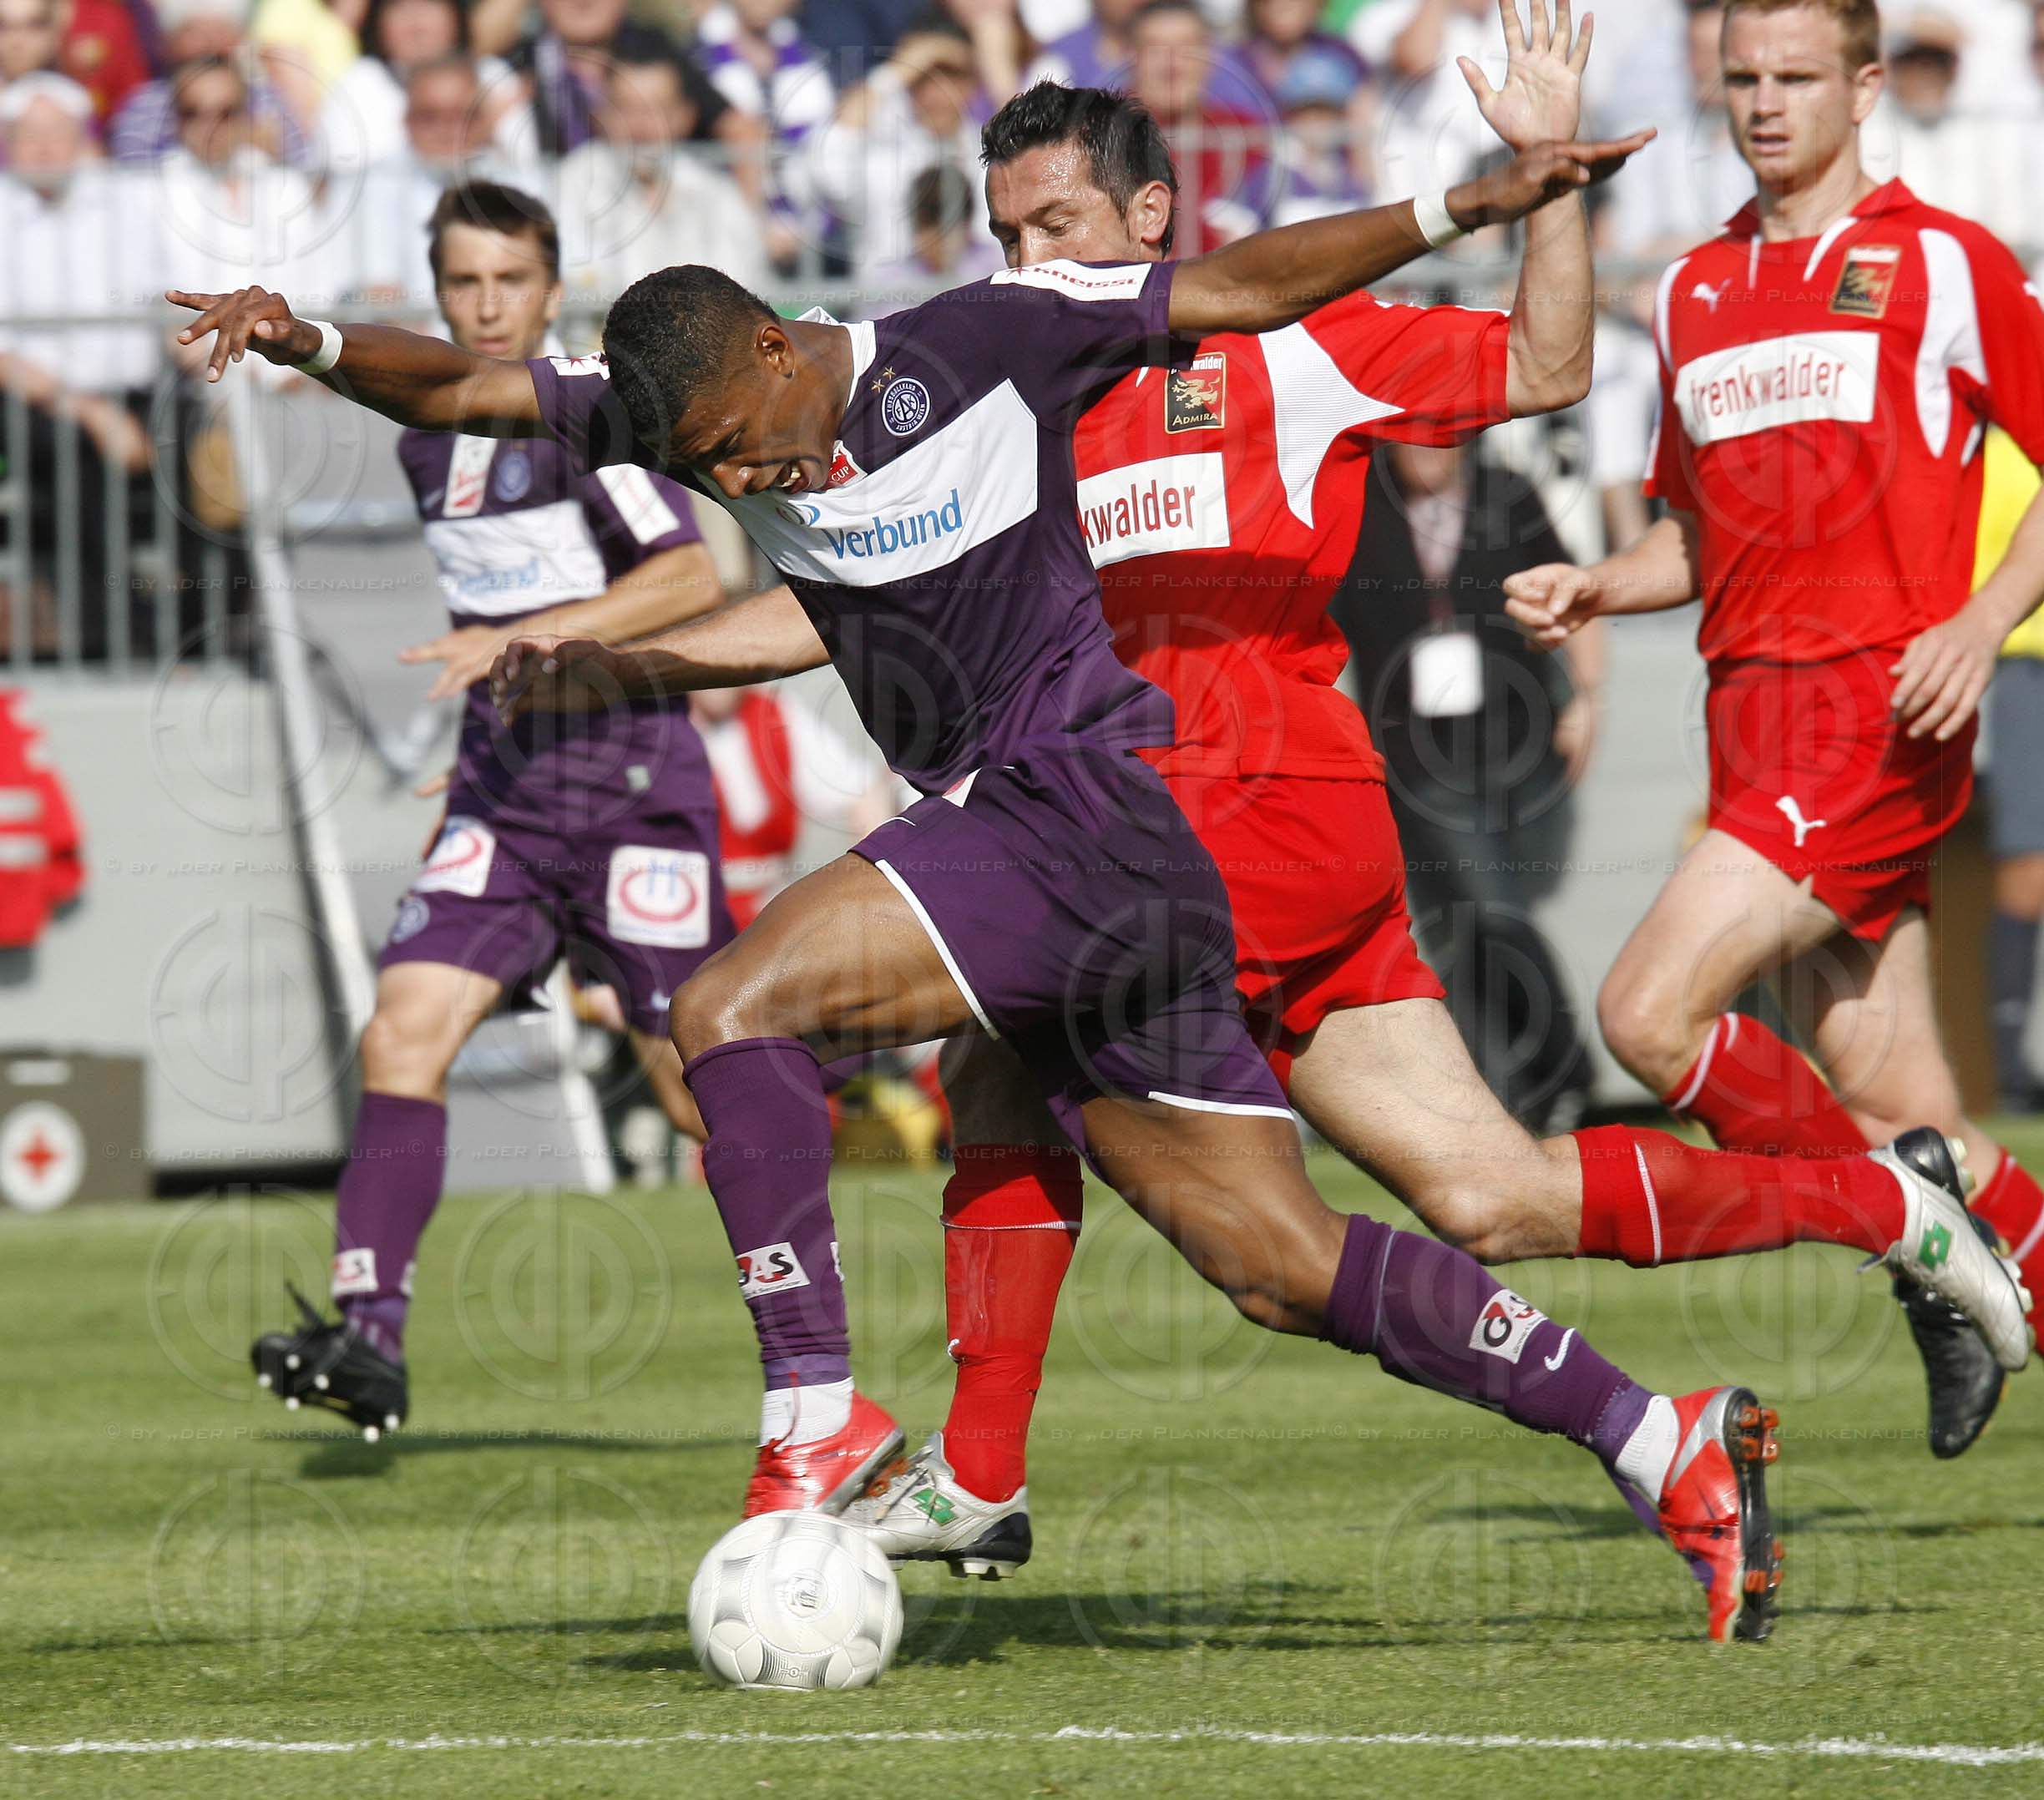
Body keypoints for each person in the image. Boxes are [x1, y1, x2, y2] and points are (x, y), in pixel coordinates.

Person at [179, 8, 1832, 1646]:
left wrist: (1463, 208)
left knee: (728, 1008)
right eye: (711, 473)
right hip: (1107, 863)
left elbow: (1247, 288)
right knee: (1275, 1258)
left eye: (742, 448)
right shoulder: (678, 402)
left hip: (1077, 806)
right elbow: (465, 394)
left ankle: (816, 1418)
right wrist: (307, 338)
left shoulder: (981, 340)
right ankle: (1665, 1439)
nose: (746, 480)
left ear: (776, 346)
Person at [845, 49, 2018, 1590]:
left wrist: (1540, 192)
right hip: (1209, 840)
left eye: (1057, 227)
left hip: (1249, 813)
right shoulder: (1017, 407)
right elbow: (845, 601)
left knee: (1010, 1044)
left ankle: (974, 1473)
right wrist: (636, 646)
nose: (1027, 266)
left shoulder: (1279, 338)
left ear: (1151, 216)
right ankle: (1887, 1204)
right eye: (1004, 238)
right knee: (1494, 1195)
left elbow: (1540, 372)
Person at [1504, 0, 2044, 1400]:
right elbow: (1692, 535)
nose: (1762, 103)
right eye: (1739, 77)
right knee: (1897, 1106)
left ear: (1864, 87)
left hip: (1874, 716)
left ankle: (1906, 1225)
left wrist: (1983, 622)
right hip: (1743, 719)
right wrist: (1592, 586)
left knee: (1644, 1014)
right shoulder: (1691, 291)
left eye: (1795, 77)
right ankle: (1955, 1218)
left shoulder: (1941, 262)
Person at [241, 182, 735, 1437]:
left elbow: (689, 573)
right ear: (441, 290)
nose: (488, 305)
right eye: (464, 284)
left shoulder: (590, 418)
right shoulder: (428, 439)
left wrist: (523, 637)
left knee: (703, 1085)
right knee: (403, 1030)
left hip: (630, 786)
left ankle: (831, 1305)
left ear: (550, 289)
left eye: (510, 281)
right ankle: (369, 1338)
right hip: (506, 799)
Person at [1335, 437, 1601, 1129]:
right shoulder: (1360, 504)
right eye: (1411, 428)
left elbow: (1573, 590)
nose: (1425, 445)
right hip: (1416, 752)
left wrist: (1587, 699)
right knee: (1483, 913)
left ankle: (1514, 1093)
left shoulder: (1507, 494)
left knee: (1474, 927)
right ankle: (1561, 1063)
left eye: (1442, 428)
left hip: (1519, 738)